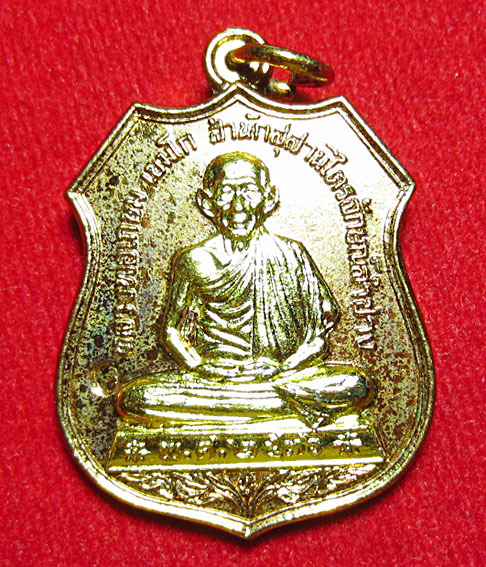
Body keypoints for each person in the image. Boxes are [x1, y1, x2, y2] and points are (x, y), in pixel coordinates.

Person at [117, 152, 373, 428]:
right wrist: (201, 366)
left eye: (249, 191)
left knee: (355, 385)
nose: (237, 206)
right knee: (138, 398)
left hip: (282, 377)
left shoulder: (292, 254)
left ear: (269, 198)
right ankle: (272, 408)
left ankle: (245, 409)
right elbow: (171, 331)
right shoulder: (194, 260)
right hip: (214, 381)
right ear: (207, 202)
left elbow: (319, 340)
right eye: (226, 192)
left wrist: (283, 367)